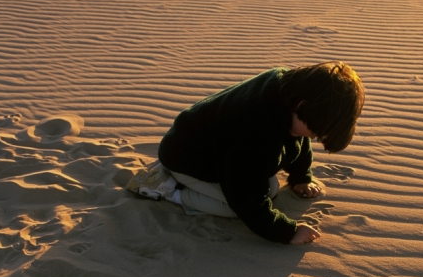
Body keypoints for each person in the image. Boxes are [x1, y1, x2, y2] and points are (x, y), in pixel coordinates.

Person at [128, 62, 364, 244]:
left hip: (220, 152)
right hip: (186, 158)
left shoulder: (290, 91)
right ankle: (168, 188)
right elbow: (246, 200)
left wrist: (301, 176)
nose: (313, 137)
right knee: (235, 207)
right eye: (316, 131)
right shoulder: (256, 131)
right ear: (302, 106)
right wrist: (286, 232)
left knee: (270, 189)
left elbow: (299, 140)